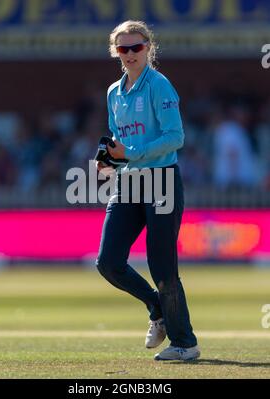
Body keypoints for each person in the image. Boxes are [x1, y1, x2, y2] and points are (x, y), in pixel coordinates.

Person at [95, 20, 200, 361]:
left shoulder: (159, 86)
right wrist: (108, 158)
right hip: (128, 183)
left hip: (161, 181)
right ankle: (157, 307)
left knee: (163, 267)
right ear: (116, 51)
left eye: (136, 47)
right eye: (123, 48)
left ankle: (185, 344)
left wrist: (132, 154)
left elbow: (176, 138)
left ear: (148, 48)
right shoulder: (114, 92)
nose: (129, 54)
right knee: (108, 262)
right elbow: (118, 138)